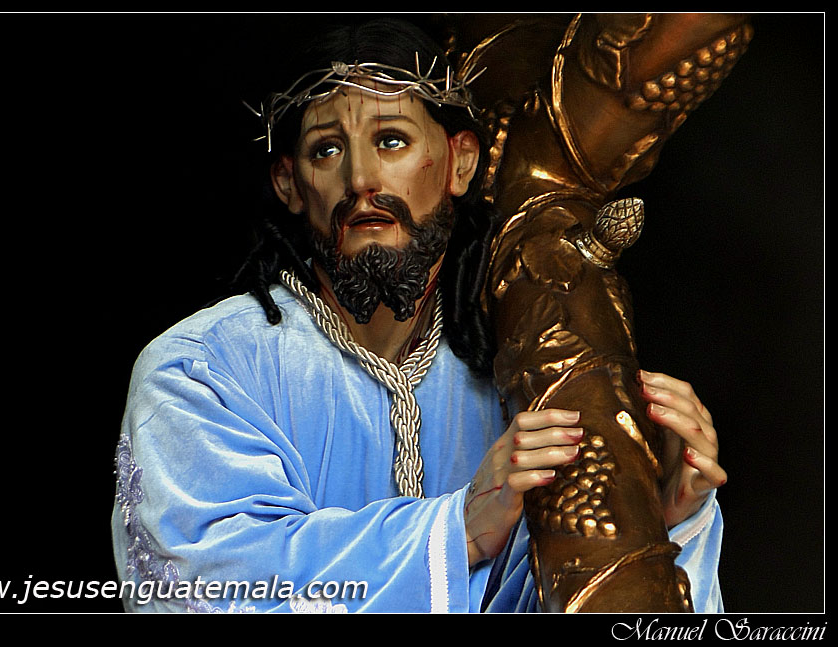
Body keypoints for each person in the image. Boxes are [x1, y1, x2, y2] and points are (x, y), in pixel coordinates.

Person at [111, 17, 726, 613]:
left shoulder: (515, 373)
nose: (360, 178)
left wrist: (659, 518)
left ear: (461, 162)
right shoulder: (201, 371)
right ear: (290, 183)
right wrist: (454, 532)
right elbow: (203, 586)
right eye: (326, 149)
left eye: (391, 141)